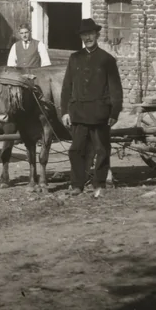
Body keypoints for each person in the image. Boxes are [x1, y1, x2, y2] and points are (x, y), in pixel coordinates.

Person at [60, 18, 123, 199]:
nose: (87, 37)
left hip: (99, 114)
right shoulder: (74, 58)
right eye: (84, 35)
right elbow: (66, 87)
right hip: (78, 113)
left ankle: (100, 184)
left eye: (90, 34)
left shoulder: (107, 60)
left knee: (102, 150)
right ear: (81, 37)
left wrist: (114, 112)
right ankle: (77, 184)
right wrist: (64, 111)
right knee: (75, 150)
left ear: (97, 35)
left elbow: (115, 89)